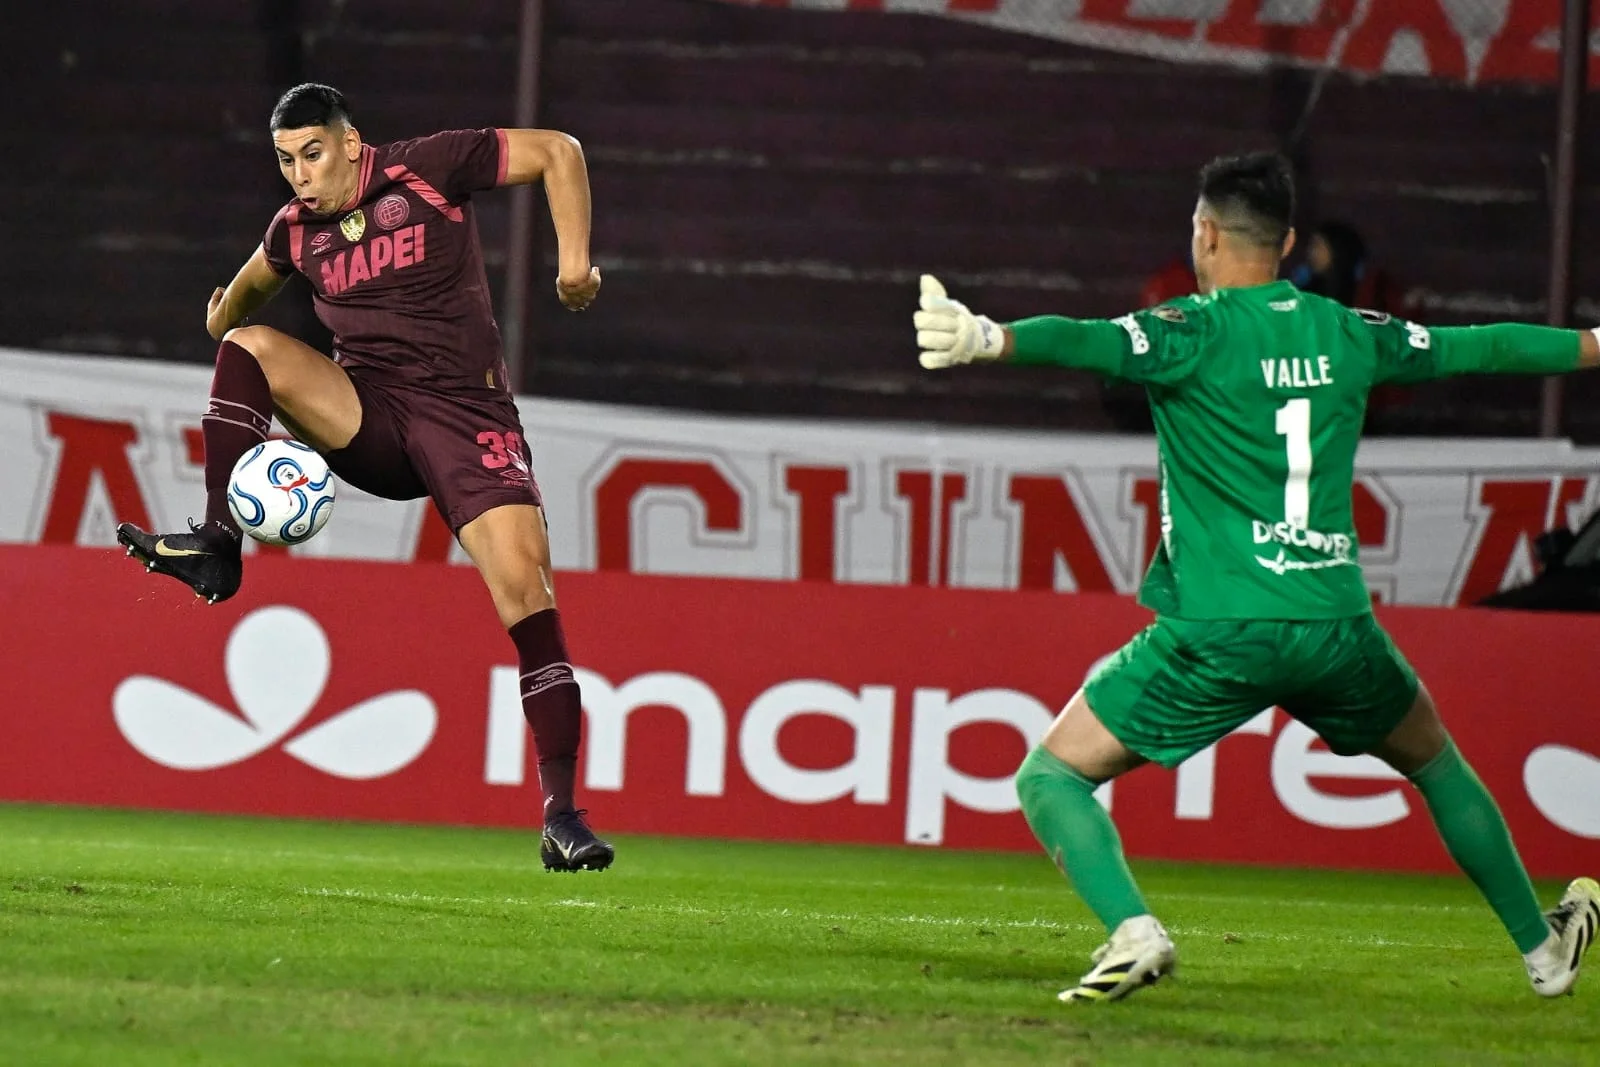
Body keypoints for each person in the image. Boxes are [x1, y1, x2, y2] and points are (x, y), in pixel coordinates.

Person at [912, 151, 1599, 1003]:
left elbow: (1084, 338)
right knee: (1436, 765)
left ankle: (1134, 931)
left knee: (1050, 777)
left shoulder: (1187, 332)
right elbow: (1484, 346)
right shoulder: (1352, 331)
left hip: (1220, 629)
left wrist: (987, 337)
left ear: (1203, 233)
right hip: (1337, 627)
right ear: (1289, 244)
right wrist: (1596, 343)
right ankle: (1542, 951)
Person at [116, 84, 614, 873]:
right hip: (370, 417)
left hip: (466, 415)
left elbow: (560, 151)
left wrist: (576, 264)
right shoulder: (294, 230)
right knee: (248, 345)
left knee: (526, 594)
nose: (300, 176)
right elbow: (242, 300)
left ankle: (561, 814)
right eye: (285, 162)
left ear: (351, 143)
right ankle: (218, 541)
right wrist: (218, 320)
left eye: (311, 154)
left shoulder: (429, 167)